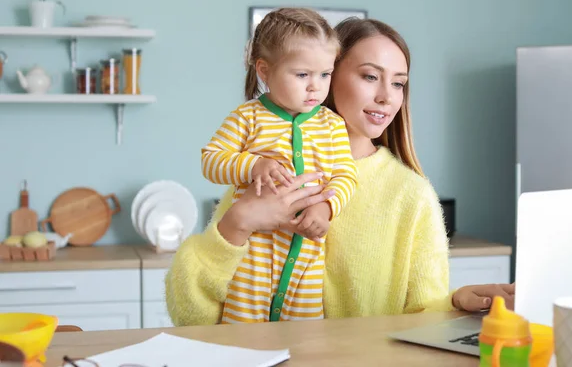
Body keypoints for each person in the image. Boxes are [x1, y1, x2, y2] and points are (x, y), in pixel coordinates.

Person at [165, 17, 515, 327]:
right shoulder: (268, 170)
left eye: (398, 83)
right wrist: (236, 223)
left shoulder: (411, 195)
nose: (386, 97)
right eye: (369, 76)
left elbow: (422, 315)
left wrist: (454, 302)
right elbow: (191, 318)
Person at [199, 8, 358, 324]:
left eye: (325, 74)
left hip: (306, 256)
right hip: (253, 255)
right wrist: (253, 165)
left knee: (305, 343)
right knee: (242, 340)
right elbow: (211, 160)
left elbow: (345, 175)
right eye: (302, 75)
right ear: (264, 70)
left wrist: (326, 207)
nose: (315, 86)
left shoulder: (332, 125)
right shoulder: (248, 117)